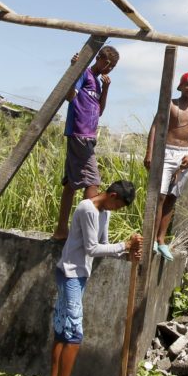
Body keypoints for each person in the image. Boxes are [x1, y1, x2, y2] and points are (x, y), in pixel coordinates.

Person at [42, 179, 142, 376]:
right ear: (113, 195)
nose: (116, 211)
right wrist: (124, 245)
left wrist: (127, 252)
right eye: (118, 206)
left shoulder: (104, 212)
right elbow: (91, 249)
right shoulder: (87, 208)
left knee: (62, 332)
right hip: (70, 274)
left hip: (78, 276)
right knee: (73, 337)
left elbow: (105, 246)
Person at [53, 45, 119, 239]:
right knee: (93, 181)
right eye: (109, 64)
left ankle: (62, 230)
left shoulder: (98, 83)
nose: (109, 69)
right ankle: (82, 233)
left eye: (113, 67)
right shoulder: (84, 74)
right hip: (79, 134)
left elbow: (99, 111)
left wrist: (105, 89)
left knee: (71, 184)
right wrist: (74, 70)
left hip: (88, 136)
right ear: (100, 59)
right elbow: (70, 96)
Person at [144, 71, 188, 262]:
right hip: (166, 151)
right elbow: (155, 127)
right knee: (159, 196)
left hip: (183, 156)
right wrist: (150, 152)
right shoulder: (170, 105)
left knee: (171, 197)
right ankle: (151, 239)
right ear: (181, 86)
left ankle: (162, 240)